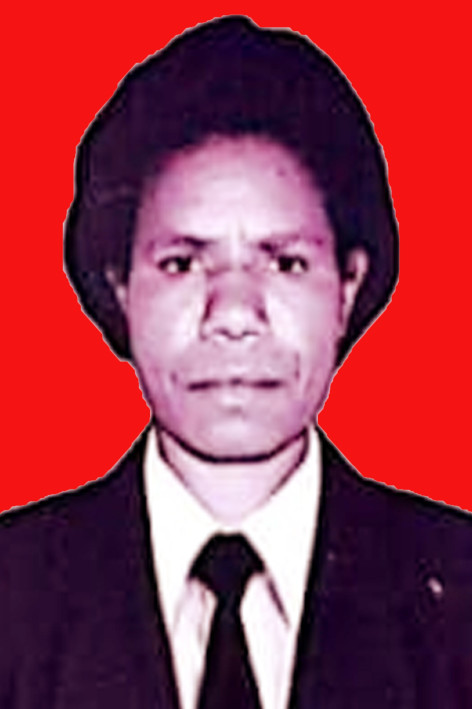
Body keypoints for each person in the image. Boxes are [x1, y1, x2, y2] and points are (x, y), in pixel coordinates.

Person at [1, 15, 472, 709]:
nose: (232, 314)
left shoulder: (458, 595)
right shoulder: (12, 595)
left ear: (348, 287)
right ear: (120, 287)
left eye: (285, 262)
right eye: (181, 263)